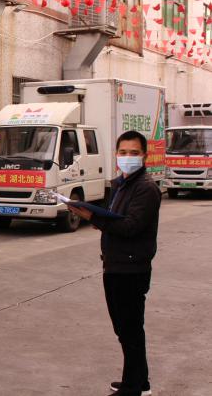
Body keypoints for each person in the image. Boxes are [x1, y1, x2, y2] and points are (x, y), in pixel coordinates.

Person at [67, 130, 160, 396]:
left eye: (134, 153)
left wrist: (93, 218)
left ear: (144, 156)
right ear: (116, 154)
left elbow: (130, 227)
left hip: (131, 268)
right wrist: (98, 217)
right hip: (115, 263)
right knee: (125, 328)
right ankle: (139, 381)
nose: (127, 157)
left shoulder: (146, 188)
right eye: (123, 152)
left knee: (129, 329)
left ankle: (132, 388)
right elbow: (115, 218)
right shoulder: (120, 184)